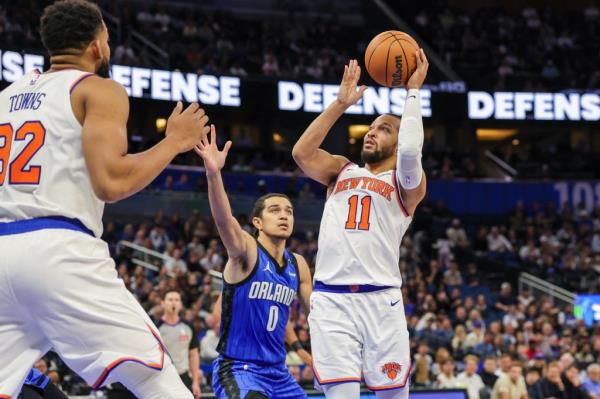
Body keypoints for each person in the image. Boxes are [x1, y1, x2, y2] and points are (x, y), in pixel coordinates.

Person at [0, 1, 210, 397]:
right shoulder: (98, 89)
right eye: (108, 40)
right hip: (57, 247)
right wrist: (174, 142)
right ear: (98, 46)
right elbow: (111, 183)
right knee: (153, 373)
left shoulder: (7, 96)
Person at [292, 54, 429, 399]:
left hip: (381, 300)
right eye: (369, 128)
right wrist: (339, 105)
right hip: (331, 300)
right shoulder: (341, 169)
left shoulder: (406, 183)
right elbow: (302, 153)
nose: (371, 133)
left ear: (397, 142)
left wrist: (413, 92)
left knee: (393, 395)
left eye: (383, 129)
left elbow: (411, 150)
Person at [194, 125, 313, 398]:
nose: (284, 215)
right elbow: (225, 221)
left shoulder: (299, 265)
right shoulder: (246, 250)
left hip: (279, 373)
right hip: (239, 368)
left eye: (289, 211)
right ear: (257, 222)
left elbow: (317, 315)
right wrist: (214, 174)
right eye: (275, 210)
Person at [156, 291, 202, 398]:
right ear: (163, 303)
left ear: (181, 305)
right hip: (163, 377)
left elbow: (193, 355)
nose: (174, 303)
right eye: (170, 299)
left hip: (184, 376)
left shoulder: (188, 326)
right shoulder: (156, 327)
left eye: (177, 300)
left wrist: (195, 382)